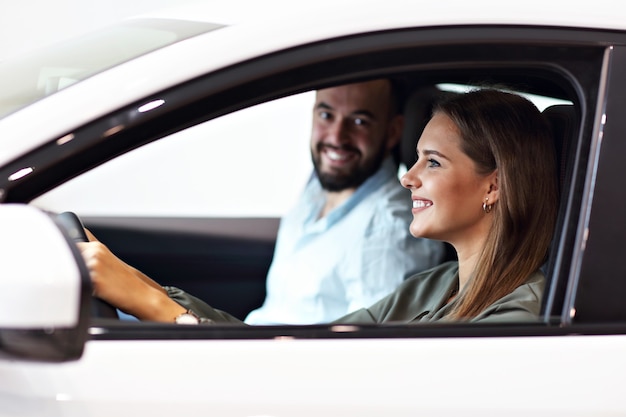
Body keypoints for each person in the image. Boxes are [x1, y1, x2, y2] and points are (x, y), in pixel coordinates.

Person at [80, 88, 558, 325]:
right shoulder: (438, 287)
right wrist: (139, 285)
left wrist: (157, 309)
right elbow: (314, 348)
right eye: (415, 159)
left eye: (431, 162)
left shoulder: (516, 320)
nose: (408, 178)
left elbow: (345, 387)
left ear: (493, 185)